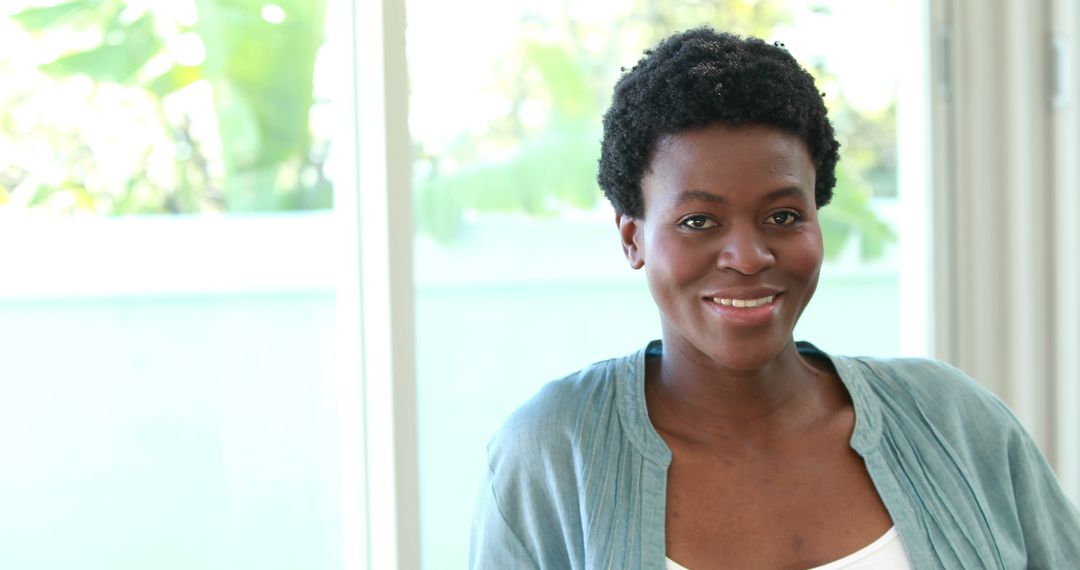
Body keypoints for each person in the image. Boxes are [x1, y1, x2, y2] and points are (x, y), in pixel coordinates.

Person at [469, 27, 1080, 569]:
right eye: (699, 222)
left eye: (783, 214)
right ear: (633, 239)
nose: (748, 255)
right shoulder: (554, 451)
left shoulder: (957, 422)